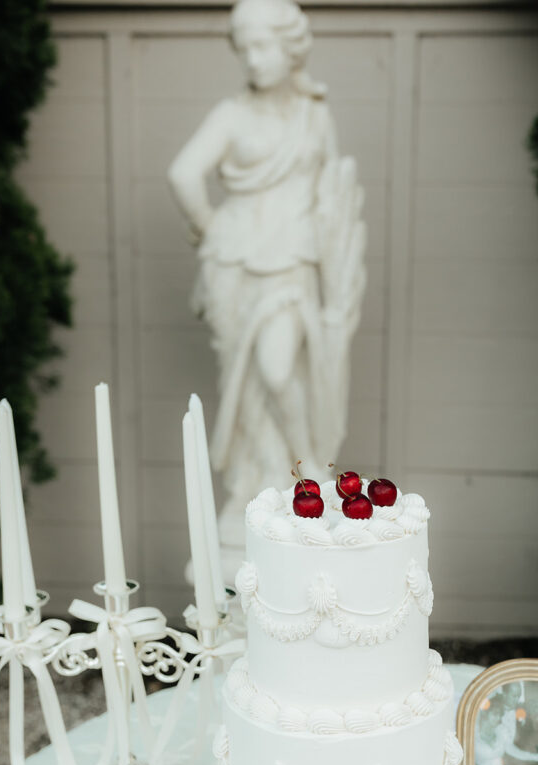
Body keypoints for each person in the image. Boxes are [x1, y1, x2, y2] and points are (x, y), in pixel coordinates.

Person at [168, 0, 365, 551]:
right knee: (248, 381)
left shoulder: (314, 114)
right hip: (238, 267)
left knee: (279, 369)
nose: (252, 60)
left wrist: (336, 284)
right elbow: (183, 174)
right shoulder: (232, 115)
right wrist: (215, 233)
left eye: (262, 46)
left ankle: (312, 477)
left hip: (294, 263)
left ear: (290, 46)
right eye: (244, 48)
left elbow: (329, 198)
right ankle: (257, 489)